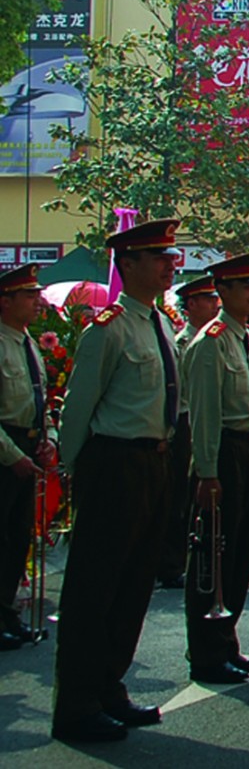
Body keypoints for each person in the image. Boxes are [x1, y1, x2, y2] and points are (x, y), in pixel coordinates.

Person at [52, 217, 182, 744]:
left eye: (170, 256)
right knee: (94, 588)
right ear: (127, 265)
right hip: (113, 463)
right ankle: (77, 704)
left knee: (133, 586)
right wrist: (72, 472)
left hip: (153, 462)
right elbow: (79, 408)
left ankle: (109, 687)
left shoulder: (160, 323)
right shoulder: (106, 330)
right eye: (158, 257)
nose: (169, 264)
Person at [183, 251, 249, 686]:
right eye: (248, 286)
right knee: (213, 557)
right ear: (224, 291)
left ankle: (226, 642)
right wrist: (208, 471)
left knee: (238, 556)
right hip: (225, 455)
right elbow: (204, 415)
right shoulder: (210, 343)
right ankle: (206, 652)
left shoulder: (244, 338)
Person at [0, 263, 49, 650]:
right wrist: (13, 454)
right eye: (29, 295)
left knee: (18, 539)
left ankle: (6, 611)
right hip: (6, 451)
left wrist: (47, 437)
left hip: (29, 445)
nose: (38, 302)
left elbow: (39, 397)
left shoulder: (28, 341)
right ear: (5, 301)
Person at [159, 274, 219, 589]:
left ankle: (186, 554)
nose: (214, 304)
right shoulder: (183, 342)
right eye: (207, 299)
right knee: (178, 494)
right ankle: (170, 561)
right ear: (191, 304)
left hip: (201, 419)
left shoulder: (216, 337)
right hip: (184, 420)